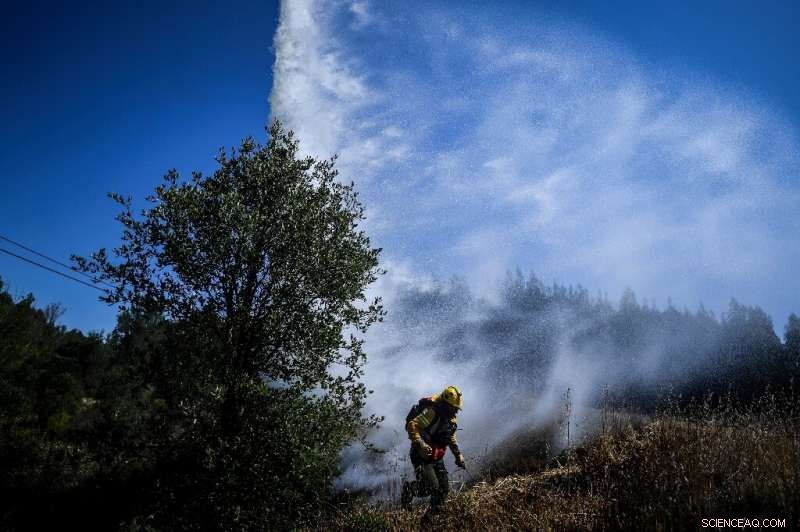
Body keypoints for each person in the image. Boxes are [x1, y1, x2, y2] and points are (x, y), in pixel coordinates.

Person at [400, 385, 466, 512]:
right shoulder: (432, 412)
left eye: (457, 408)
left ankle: (432, 517)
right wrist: (421, 444)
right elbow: (412, 425)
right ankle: (409, 489)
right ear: (446, 404)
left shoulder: (450, 418)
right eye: (454, 408)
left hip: (436, 457)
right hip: (421, 455)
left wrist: (458, 455)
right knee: (430, 487)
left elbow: (450, 436)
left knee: (443, 489)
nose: (456, 411)